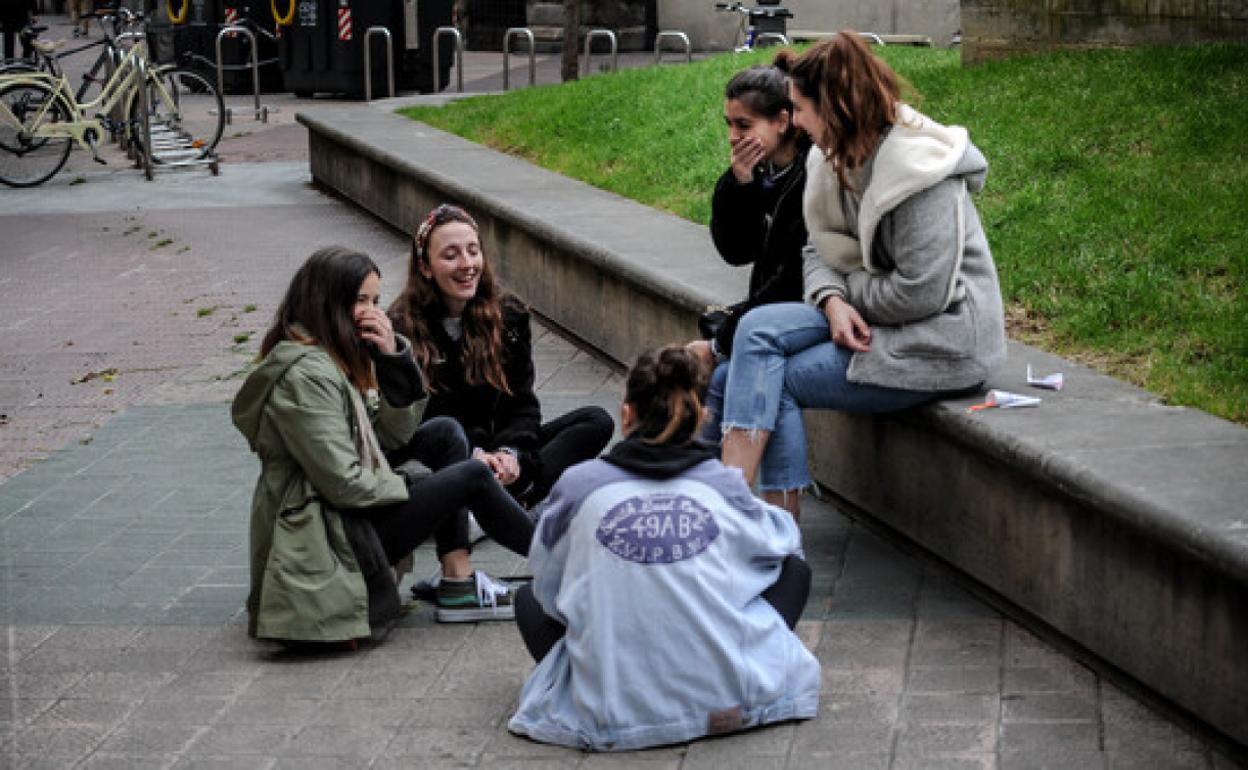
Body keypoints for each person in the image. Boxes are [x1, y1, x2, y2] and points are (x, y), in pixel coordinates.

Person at [718, 33, 1007, 519]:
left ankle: (768, 532)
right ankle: (728, 509)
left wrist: (845, 292)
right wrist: (831, 300)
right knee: (754, 329)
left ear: (834, 110)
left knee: (776, 379)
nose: (800, 124)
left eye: (803, 111)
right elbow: (817, 245)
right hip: (868, 312)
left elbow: (921, 292)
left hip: (940, 339)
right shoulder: (830, 158)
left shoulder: (921, 175)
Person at [507, 346, 820, 751]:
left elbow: (549, 590)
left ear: (626, 416)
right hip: (726, 697)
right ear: (701, 421)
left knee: (527, 600)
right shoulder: (722, 484)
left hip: (612, 711)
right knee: (794, 568)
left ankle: (616, 677)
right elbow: (784, 544)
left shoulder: (578, 485)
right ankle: (727, 668)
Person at [232, 247, 538, 642]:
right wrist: (414, 489)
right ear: (327, 302)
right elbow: (344, 484)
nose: (371, 312)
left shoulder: (333, 356)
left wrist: (394, 359)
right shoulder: (306, 376)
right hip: (327, 536)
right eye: (360, 300)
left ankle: (457, 579)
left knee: (445, 433)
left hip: (343, 518)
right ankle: (564, 566)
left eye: (375, 300)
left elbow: (393, 436)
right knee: (473, 475)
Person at [389, 204, 614, 511]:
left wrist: (512, 453)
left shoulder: (508, 317)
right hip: (446, 456)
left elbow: (522, 404)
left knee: (596, 421)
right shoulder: (401, 329)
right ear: (425, 266)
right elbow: (415, 424)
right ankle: (501, 504)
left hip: (498, 454)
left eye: (473, 250)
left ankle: (502, 499)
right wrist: (471, 454)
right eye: (451, 255)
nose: (467, 264)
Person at [688, 63, 812, 447]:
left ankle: (703, 485)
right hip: (770, 312)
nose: (732, 136)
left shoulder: (811, 175)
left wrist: (720, 340)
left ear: (782, 120)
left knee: (728, 376)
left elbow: (793, 278)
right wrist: (739, 185)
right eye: (728, 124)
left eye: (743, 125)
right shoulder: (763, 172)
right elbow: (737, 250)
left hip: (806, 308)